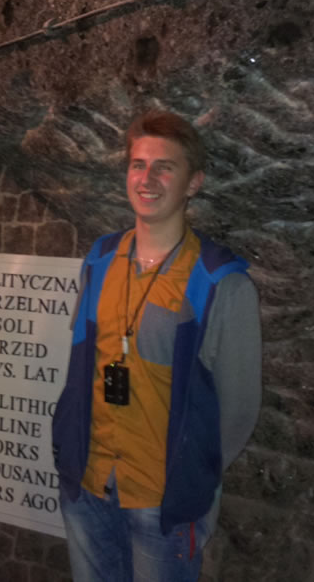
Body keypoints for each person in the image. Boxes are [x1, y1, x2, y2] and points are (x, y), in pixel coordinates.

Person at [52, 110, 262, 581]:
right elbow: (80, 368)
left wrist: (192, 475)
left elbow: (240, 408)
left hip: (163, 503)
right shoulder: (99, 261)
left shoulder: (222, 283)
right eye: (138, 165)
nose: (147, 179)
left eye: (164, 167)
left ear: (194, 183)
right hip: (88, 485)